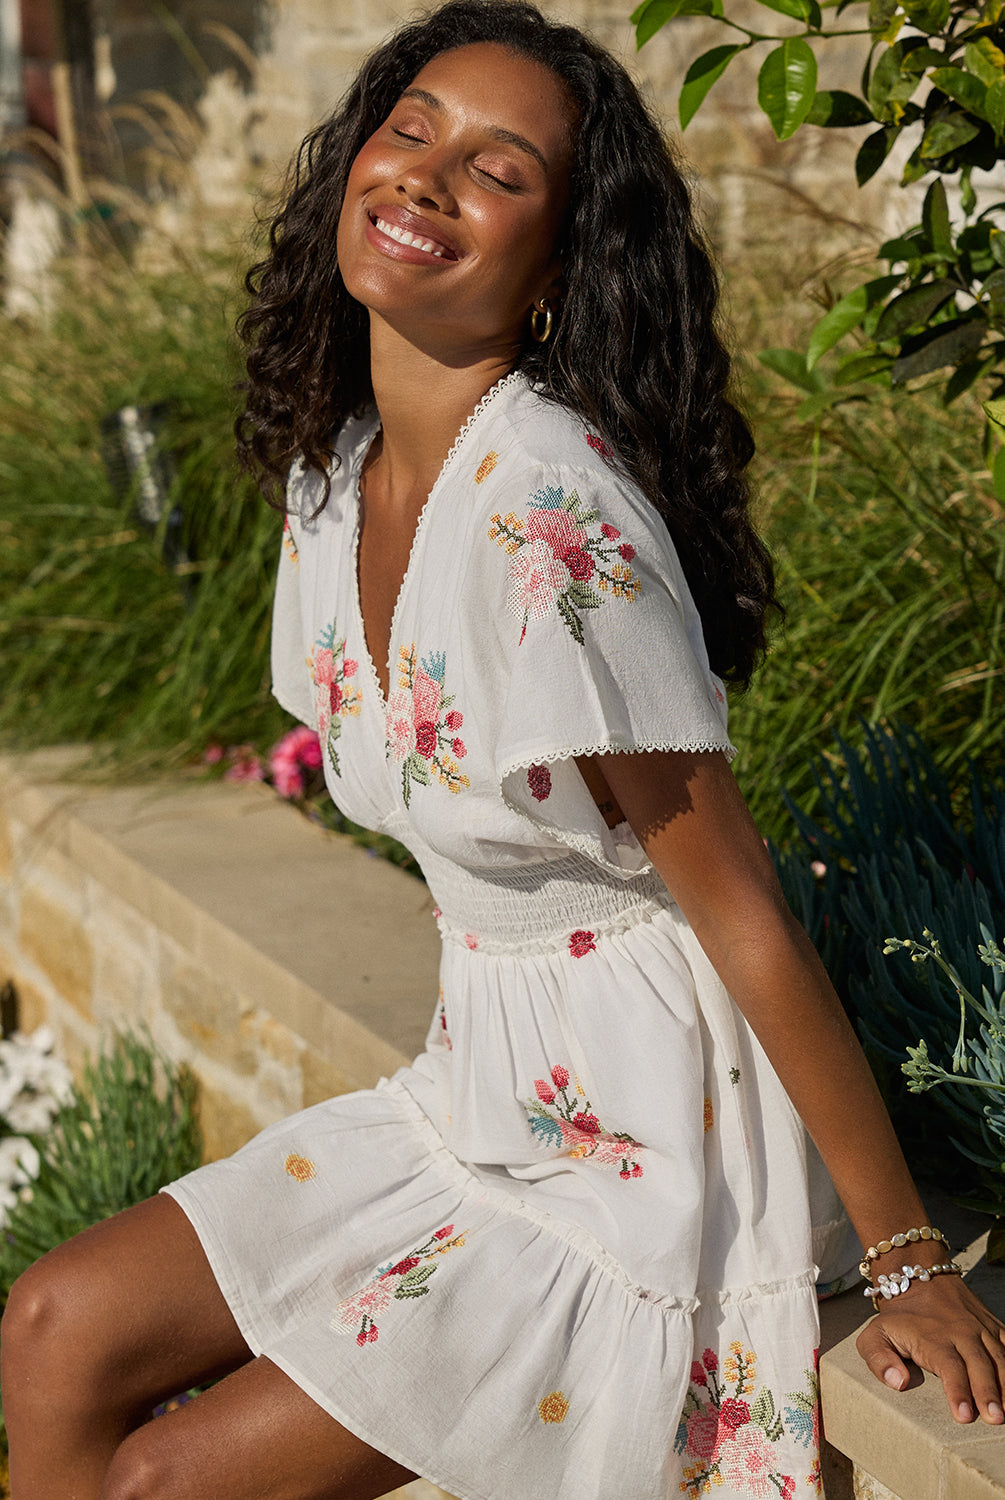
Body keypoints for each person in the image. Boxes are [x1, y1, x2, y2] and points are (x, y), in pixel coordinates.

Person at [3, 3, 1004, 1496]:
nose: (424, 175)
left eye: (498, 168)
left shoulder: (554, 513)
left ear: (556, 267)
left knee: (168, 1482)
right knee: (55, 1322)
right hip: (483, 1083)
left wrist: (905, 1251)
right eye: (410, 128)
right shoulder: (334, 468)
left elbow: (731, 898)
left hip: (645, 1138)